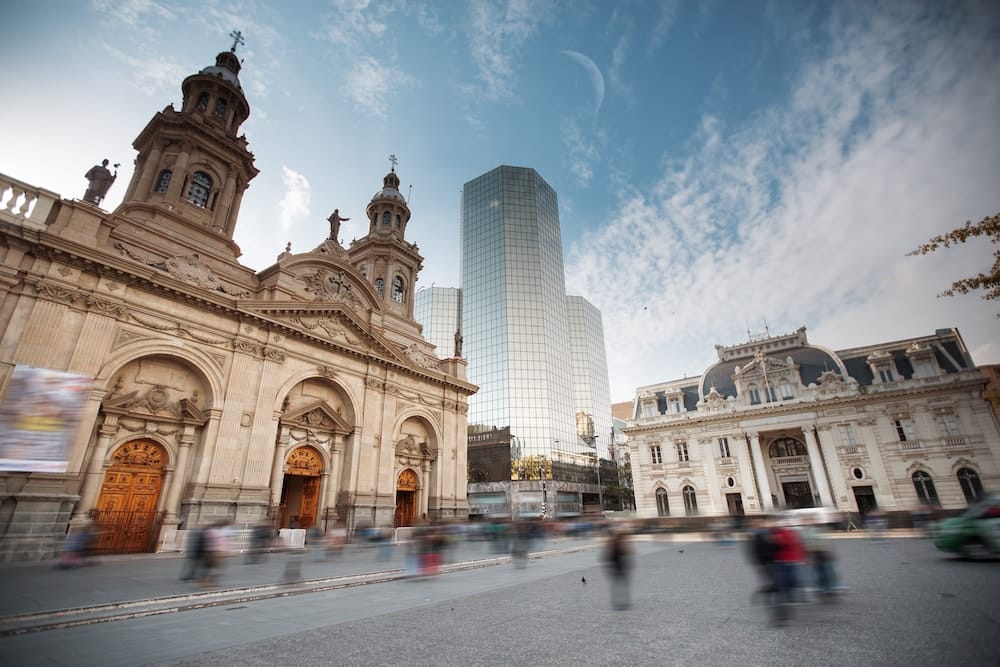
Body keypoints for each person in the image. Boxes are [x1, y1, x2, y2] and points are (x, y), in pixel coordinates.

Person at [603, 527, 632, 610]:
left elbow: (606, 557)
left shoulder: (613, 543)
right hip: (618, 567)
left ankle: (620, 602)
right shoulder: (615, 543)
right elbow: (623, 553)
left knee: (619, 585)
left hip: (617, 567)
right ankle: (621, 602)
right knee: (620, 585)